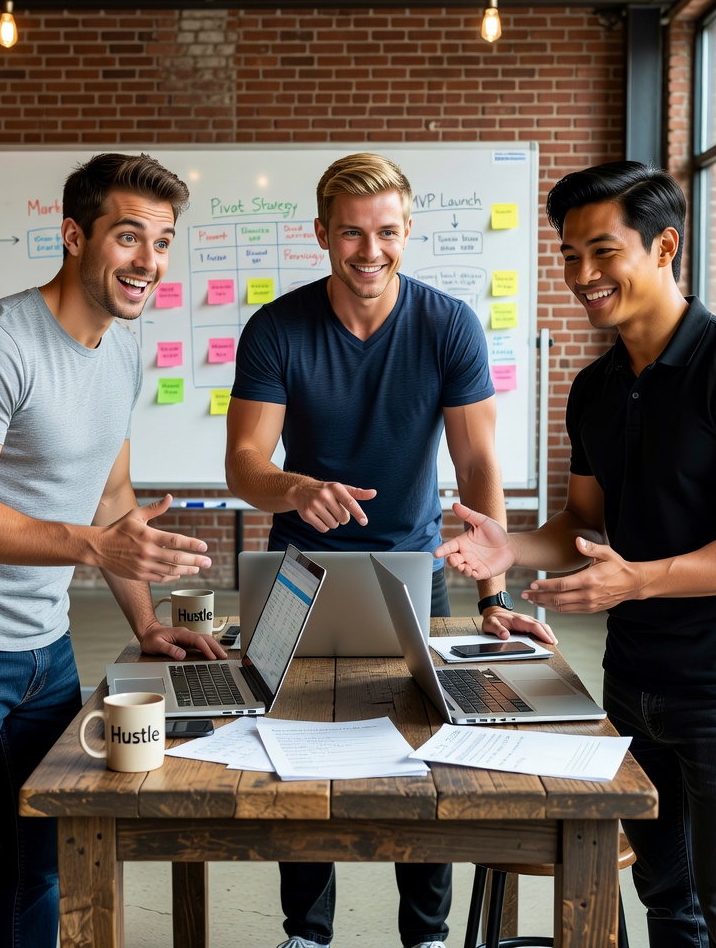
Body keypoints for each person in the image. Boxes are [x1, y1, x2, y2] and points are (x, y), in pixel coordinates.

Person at [436, 160, 716, 948]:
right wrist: (510, 544)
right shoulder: (597, 387)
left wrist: (639, 580)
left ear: (665, 246)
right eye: (570, 255)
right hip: (633, 685)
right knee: (663, 898)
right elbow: (581, 520)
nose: (582, 274)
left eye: (603, 252)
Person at [0, 152, 227, 948]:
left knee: (43, 862)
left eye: (163, 241)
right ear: (75, 235)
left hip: (44, 650)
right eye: (129, 236)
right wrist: (91, 545)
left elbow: (111, 499)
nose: (150, 260)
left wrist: (144, 625)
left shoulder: (122, 348)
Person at [225, 151, 556, 948]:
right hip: (297, 573)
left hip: (412, 572)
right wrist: (299, 488)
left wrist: (493, 594)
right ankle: (306, 933)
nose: (369, 251)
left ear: (407, 232)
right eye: (350, 233)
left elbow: (477, 465)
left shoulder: (447, 325)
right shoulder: (277, 328)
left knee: (424, 749)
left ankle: (427, 937)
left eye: (386, 232)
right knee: (293, 753)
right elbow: (245, 466)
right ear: (321, 234)